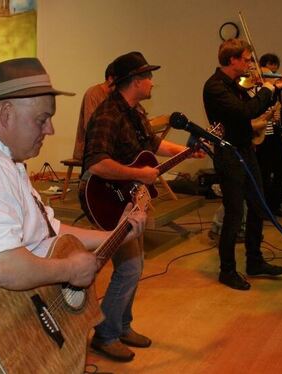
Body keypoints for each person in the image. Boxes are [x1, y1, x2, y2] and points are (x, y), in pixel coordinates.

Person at [0, 57, 146, 373]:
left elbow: (46, 230)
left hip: (13, 323)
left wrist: (120, 232)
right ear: (6, 113)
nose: (51, 129)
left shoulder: (1, 159)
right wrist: (69, 270)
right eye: (42, 118)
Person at [83, 51, 201, 362]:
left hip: (131, 196)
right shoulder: (108, 114)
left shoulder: (135, 112)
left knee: (133, 266)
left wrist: (189, 151)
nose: (152, 82)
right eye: (148, 77)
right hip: (109, 200)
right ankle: (105, 335)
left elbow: (152, 145)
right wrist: (139, 174)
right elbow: (95, 164)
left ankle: (122, 326)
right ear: (135, 82)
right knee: (131, 267)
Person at [202, 39, 282, 291]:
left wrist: (274, 89)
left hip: (246, 149)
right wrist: (267, 89)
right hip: (228, 154)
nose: (251, 64)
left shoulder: (237, 85)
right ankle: (227, 270)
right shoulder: (215, 87)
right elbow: (246, 111)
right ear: (233, 60)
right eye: (247, 59)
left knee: (259, 206)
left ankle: (255, 261)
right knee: (234, 213)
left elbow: (259, 107)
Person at [256, 53, 282, 218]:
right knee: (264, 172)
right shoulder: (255, 86)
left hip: (273, 132)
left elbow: (280, 108)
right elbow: (253, 109)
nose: (272, 76)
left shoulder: (277, 89)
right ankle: (263, 208)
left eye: (275, 72)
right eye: (269, 72)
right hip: (260, 135)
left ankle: (274, 205)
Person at [72, 61, 115, 160]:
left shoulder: (115, 96)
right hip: (90, 149)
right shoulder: (93, 93)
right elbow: (90, 126)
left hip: (108, 148)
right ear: (110, 79)